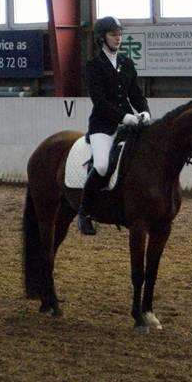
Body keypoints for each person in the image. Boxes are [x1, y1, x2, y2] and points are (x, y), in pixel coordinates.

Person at [77, 16, 151, 235]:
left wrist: (144, 111)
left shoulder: (126, 63)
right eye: (113, 34)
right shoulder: (94, 66)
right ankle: (84, 212)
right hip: (103, 125)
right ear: (102, 38)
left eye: (120, 34)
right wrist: (123, 117)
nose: (118, 38)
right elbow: (99, 101)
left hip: (129, 122)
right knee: (101, 165)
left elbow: (135, 94)